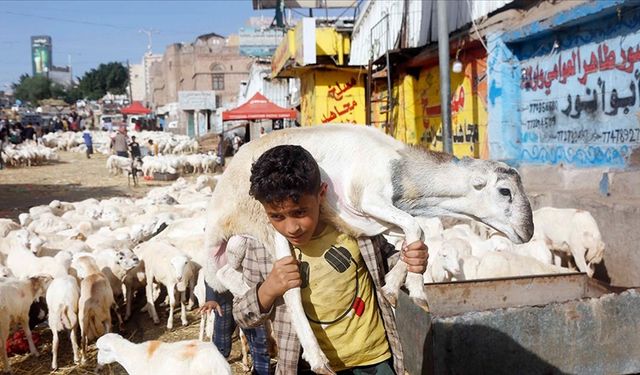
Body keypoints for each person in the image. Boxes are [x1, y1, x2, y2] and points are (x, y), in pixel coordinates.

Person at [233, 145, 428, 374]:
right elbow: (243, 315)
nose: (291, 227)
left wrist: (411, 260)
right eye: (276, 216)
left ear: (321, 194)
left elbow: (389, 265)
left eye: (300, 212)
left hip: (373, 360)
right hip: (306, 366)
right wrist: (269, 288)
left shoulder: (354, 228)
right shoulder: (261, 249)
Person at [201, 236, 272, 375]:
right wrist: (211, 297)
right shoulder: (216, 238)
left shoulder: (249, 235)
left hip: (249, 291)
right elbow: (210, 265)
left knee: (258, 338)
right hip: (224, 293)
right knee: (222, 333)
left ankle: (262, 371)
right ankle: (217, 367)